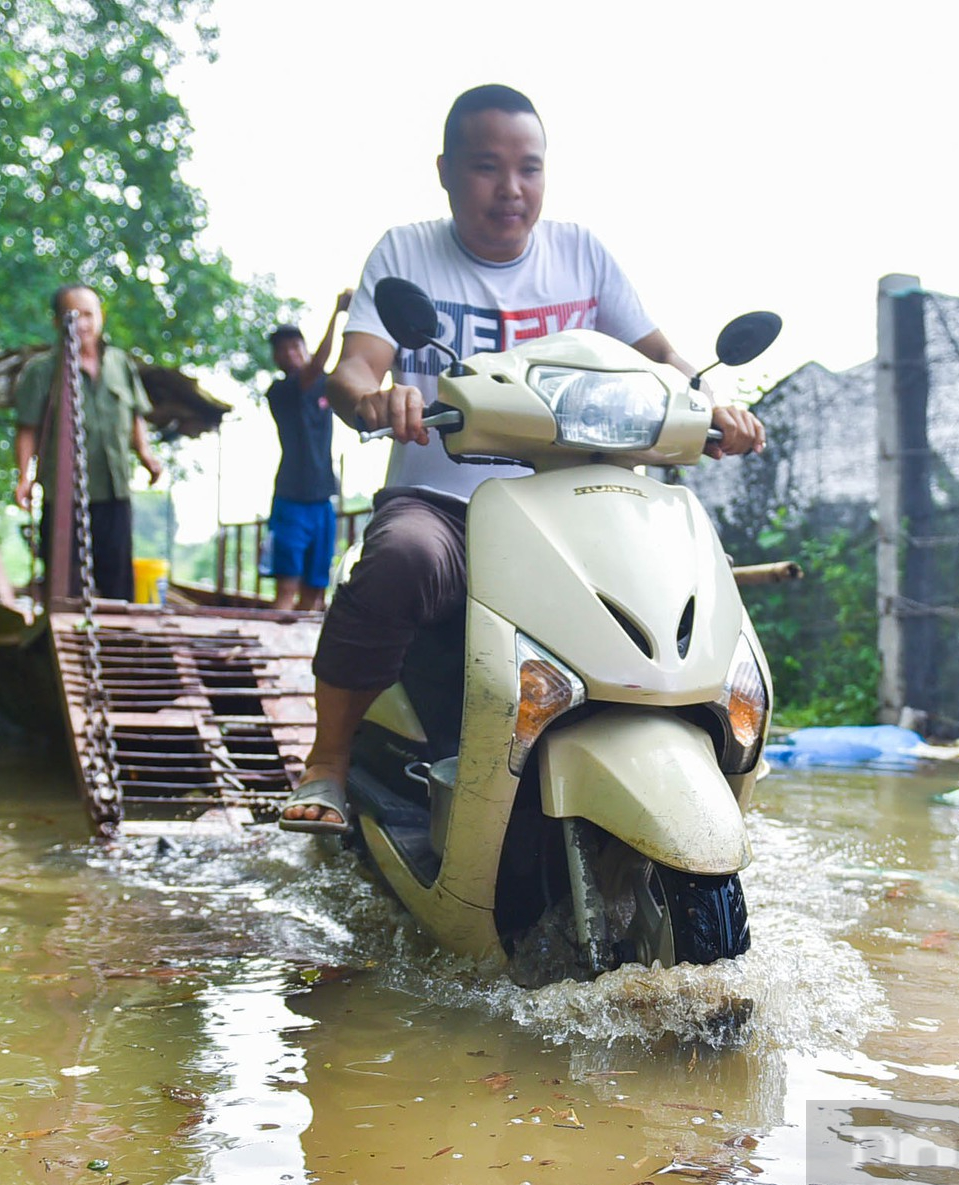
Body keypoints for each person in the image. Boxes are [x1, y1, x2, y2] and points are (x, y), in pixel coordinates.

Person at [280, 84, 764, 831]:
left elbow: (666, 357)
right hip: (444, 506)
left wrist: (715, 403)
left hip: (582, 507)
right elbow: (353, 370)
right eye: (486, 167)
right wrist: (377, 400)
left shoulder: (582, 254)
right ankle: (329, 764)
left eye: (529, 168)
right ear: (444, 171)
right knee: (398, 558)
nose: (511, 189)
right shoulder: (406, 251)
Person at [11, 284, 164, 601]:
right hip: (63, 493)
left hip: (113, 487)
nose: (82, 323)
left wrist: (146, 455)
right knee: (63, 580)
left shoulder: (120, 365)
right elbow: (27, 428)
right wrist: (24, 477)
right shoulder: (41, 372)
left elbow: (136, 414)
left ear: (101, 317)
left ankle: (120, 639)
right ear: (57, 322)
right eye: (73, 315)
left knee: (117, 575)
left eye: (88, 314)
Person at [263, 292, 351, 610]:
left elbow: (346, 368)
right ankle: (274, 656)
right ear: (276, 358)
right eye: (282, 349)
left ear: (305, 348)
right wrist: (336, 313)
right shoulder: (280, 390)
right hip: (291, 502)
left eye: (295, 345)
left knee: (315, 594)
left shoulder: (325, 385)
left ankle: (302, 659)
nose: (290, 353)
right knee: (287, 590)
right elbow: (318, 366)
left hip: (322, 501)